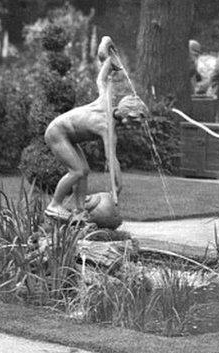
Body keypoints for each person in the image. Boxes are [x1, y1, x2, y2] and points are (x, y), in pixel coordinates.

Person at [43, 37, 145, 222]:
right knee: (77, 171)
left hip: (68, 136)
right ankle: (54, 206)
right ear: (124, 110)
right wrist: (108, 59)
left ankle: (79, 209)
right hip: (57, 131)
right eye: (132, 119)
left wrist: (118, 186)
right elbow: (111, 160)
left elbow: (112, 160)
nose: (131, 125)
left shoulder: (109, 120)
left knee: (84, 170)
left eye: (135, 123)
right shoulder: (106, 115)